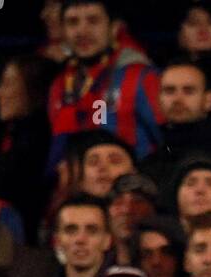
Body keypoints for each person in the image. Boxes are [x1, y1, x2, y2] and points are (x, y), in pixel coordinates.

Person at [45, 0, 161, 166]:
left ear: (114, 28)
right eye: (73, 22)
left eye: (93, 21)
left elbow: (165, 140)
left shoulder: (141, 77)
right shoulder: (59, 85)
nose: (82, 31)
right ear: (63, 31)